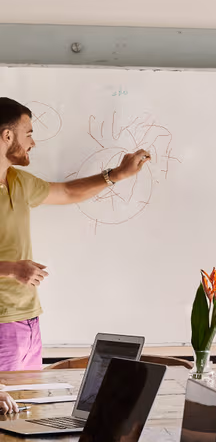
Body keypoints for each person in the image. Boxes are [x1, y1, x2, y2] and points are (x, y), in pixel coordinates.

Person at [0, 97, 150, 371]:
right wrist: (10, 268)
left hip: (28, 319)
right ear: (7, 136)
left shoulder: (18, 181)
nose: (33, 143)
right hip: (1, 325)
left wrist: (116, 174)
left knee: (28, 409)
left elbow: (67, 192)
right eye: (29, 134)